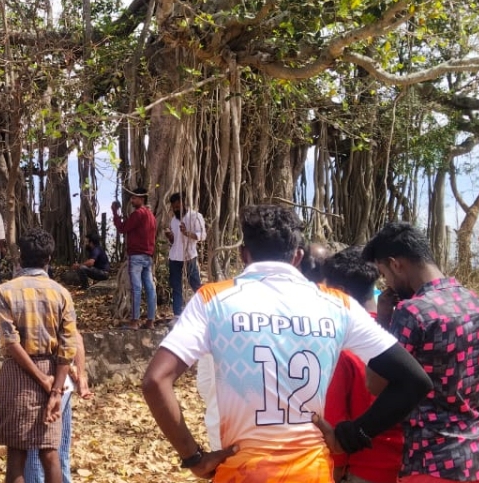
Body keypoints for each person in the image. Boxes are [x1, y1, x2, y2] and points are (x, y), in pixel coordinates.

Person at [141, 206, 431, 483]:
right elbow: (413, 380)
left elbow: (155, 381)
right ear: (297, 257)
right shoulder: (337, 305)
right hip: (311, 474)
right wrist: (351, 436)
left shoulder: (212, 299)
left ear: (244, 254)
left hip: (242, 473)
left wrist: (194, 458)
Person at [366, 221, 479, 483]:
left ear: (396, 264)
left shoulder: (413, 312)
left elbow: (375, 383)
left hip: (429, 463)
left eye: (385, 275)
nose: (388, 284)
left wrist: (383, 320)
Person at [0, 228, 78, 483]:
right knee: (50, 452)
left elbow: (10, 341)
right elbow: (67, 347)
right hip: (53, 372)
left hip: (18, 372)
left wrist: (42, 380)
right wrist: (55, 390)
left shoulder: (5, 291)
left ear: (20, 258)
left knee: (16, 453)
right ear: (48, 258)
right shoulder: (61, 293)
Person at [322, 246, 404, 483]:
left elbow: (336, 418)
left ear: (342, 293)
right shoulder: (403, 332)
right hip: (409, 463)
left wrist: (336, 469)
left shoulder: (344, 347)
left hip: (363, 467)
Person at [23, 332, 91, 483]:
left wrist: (55, 386)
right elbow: (74, 334)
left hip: (43, 386)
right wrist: (80, 375)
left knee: (38, 458)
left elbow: (12, 343)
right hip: (61, 384)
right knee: (58, 454)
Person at [112, 187, 157, 329]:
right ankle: (150, 320)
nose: (132, 200)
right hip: (148, 256)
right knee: (150, 288)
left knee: (136, 288)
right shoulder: (151, 216)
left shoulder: (138, 214)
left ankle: (135, 321)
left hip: (136, 256)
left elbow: (122, 228)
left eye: (134, 198)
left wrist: (115, 213)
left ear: (142, 199)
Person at [165, 192, 205, 318]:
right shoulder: (173, 220)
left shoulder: (195, 216)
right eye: (174, 207)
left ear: (184, 203)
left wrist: (187, 233)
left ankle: (206, 310)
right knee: (176, 286)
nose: (176, 209)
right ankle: (177, 315)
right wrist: (170, 237)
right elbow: (174, 242)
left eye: (178, 206)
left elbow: (202, 236)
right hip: (174, 257)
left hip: (189, 256)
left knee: (195, 285)